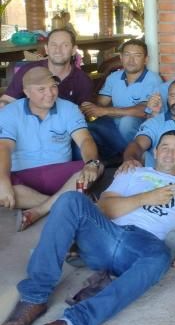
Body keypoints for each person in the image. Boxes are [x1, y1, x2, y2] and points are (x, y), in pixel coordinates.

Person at [0, 131, 175, 325]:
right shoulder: (133, 172)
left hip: (144, 246)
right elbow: (103, 209)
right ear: (155, 151)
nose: (169, 153)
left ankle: (69, 324)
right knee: (70, 200)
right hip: (105, 236)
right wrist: (146, 197)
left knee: (161, 257)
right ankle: (34, 297)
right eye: (164, 146)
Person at [0, 67, 102, 232]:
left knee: (97, 165)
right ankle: (69, 205)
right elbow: (3, 148)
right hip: (23, 176)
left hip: (60, 175)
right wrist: (3, 181)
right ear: (26, 92)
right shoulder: (10, 112)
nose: (50, 93)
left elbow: (84, 139)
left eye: (53, 86)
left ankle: (40, 209)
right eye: (41, 89)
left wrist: (91, 163)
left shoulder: (69, 108)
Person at [81, 39, 161, 158]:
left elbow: (144, 110)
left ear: (146, 59)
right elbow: (101, 103)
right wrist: (90, 108)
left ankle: (127, 155)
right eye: (127, 55)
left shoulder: (153, 80)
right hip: (113, 124)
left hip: (139, 127)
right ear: (121, 58)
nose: (131, 60)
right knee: (89, 127)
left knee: (127, 121)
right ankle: (117, 153)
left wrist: (106, 111)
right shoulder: (113, 77)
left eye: (137, 56)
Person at [120, 79, 175, 171]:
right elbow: (138, 144)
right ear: (167, 97)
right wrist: (130, 159)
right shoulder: (154, 122)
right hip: (155, 182)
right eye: (173, 96)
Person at [0, 29, 93, 107]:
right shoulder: (28, 71)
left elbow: (85, 111)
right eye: (53, 45)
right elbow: (7, 100)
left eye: (65, 45)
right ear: (47, 49)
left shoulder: (82, 80)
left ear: (73, 50)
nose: (58, 50)